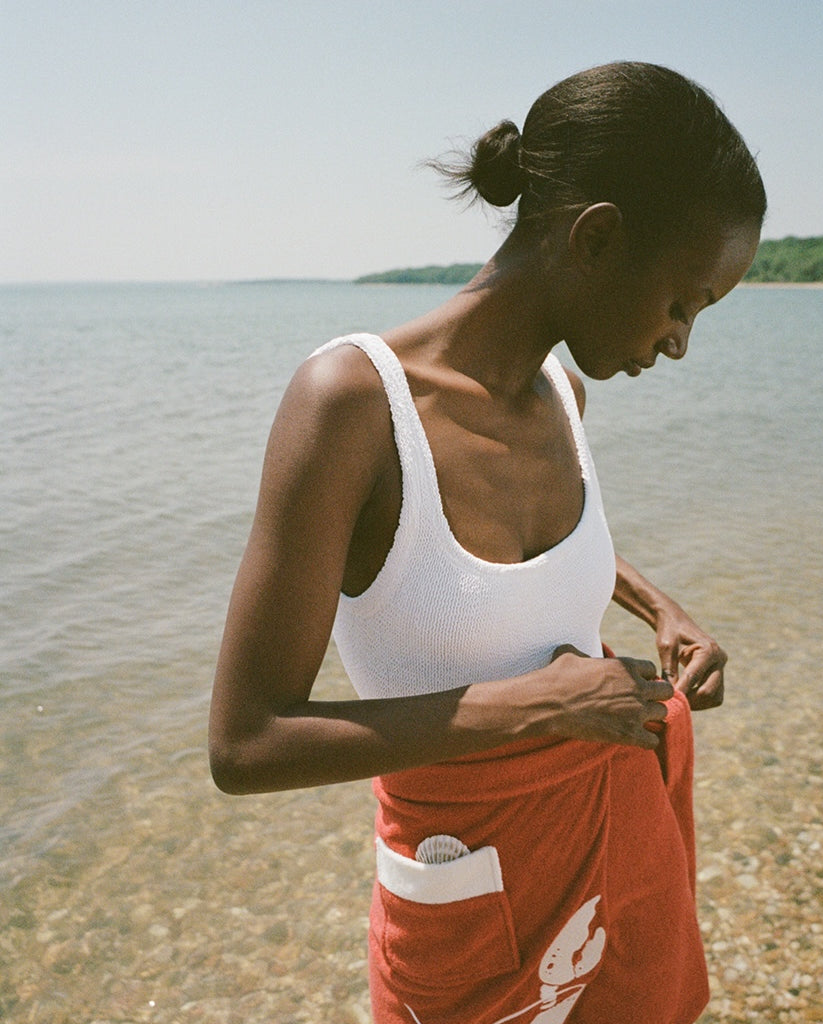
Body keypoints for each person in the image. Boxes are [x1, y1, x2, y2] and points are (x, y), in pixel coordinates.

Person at [210, 60, 765, 1024]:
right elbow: (247, 743)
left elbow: (519, 552)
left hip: (614, 848)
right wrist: (535, 705)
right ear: (595, 237)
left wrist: (658, 607)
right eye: (684, 303)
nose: (680, 342)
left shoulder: (563, 394)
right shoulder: (353, 406)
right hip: (472, 899)